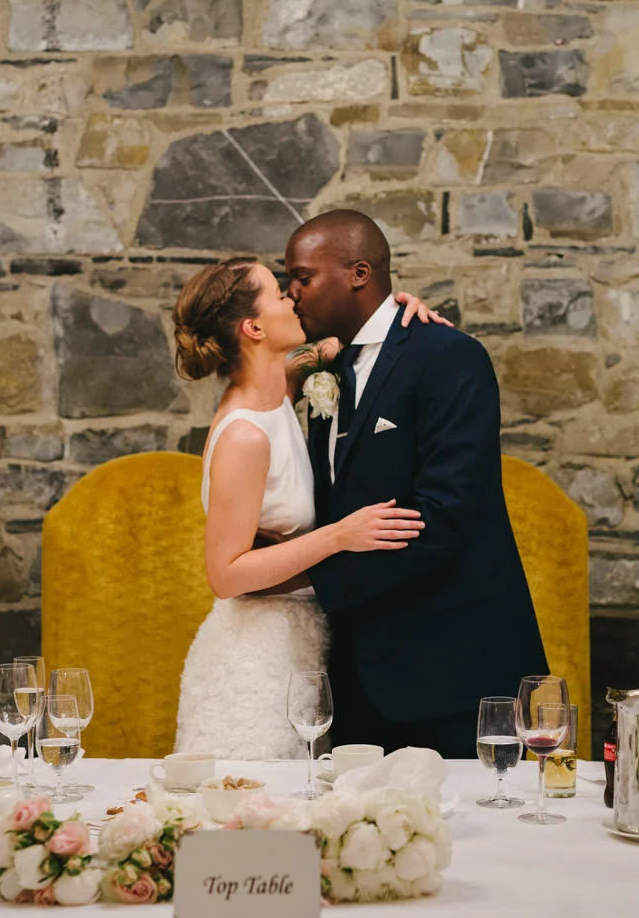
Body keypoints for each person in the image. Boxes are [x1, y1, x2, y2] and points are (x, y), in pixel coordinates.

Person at [286, 210, 549, 759]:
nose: (292, 294)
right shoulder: (322, 367)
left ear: (359, 273)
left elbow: (444, 514)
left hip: (453, 667)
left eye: (303, 277)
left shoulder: (449, 357)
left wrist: (311, 580)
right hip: (356, 675)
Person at [171, 257, 446, 759]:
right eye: (278, 293)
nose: (292, 298)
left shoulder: (281, 386)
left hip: (301, 642)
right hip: (256, 657)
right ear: (253, 327)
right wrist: (339, 536)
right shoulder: (246, 436)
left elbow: (348, 345)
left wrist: (400, 309)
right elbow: (224, 575)